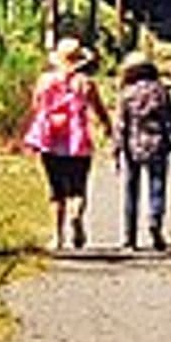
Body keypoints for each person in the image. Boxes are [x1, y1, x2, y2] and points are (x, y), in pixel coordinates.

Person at [23, 35, 112, 250]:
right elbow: (98, 109)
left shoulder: (45, 81)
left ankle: (57, 236)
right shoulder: (85, 83)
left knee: (56, 191)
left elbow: (35, 106)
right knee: (78, 188)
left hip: (50, 139)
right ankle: (76, 216)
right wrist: (107, 126)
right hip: (77, 140)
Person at [115, 51, 171, 251]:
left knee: (130, 191)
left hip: (132, 146)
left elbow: (121, 124)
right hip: (158, 145)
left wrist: (116, 149)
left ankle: (129, 239)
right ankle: (155, 221)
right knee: (157, 187)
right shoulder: (160, 90)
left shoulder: (126, 93)